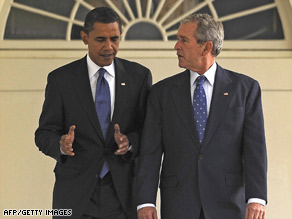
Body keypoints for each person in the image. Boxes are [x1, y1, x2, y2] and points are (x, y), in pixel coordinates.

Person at [136, 14, 267, 219]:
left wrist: (256, 198)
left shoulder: (246, 89)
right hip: (178, 203)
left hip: (228, 204)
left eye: (183, 40)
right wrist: (145, 201)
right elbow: (150, 152)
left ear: (206, 47)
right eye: (177, 39)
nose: (176, 46)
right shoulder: (161, 92)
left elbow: (255, 149)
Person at [35, 7, 152, 219]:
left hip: (123, 195)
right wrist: (61, 145)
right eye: (100, 39)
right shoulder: (61, 80)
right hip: (75, 196)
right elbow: (44, 133)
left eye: (115, 39)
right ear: (84, 38)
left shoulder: (139, 76)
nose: (109, 47)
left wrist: (130, 142)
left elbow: (149, 130)